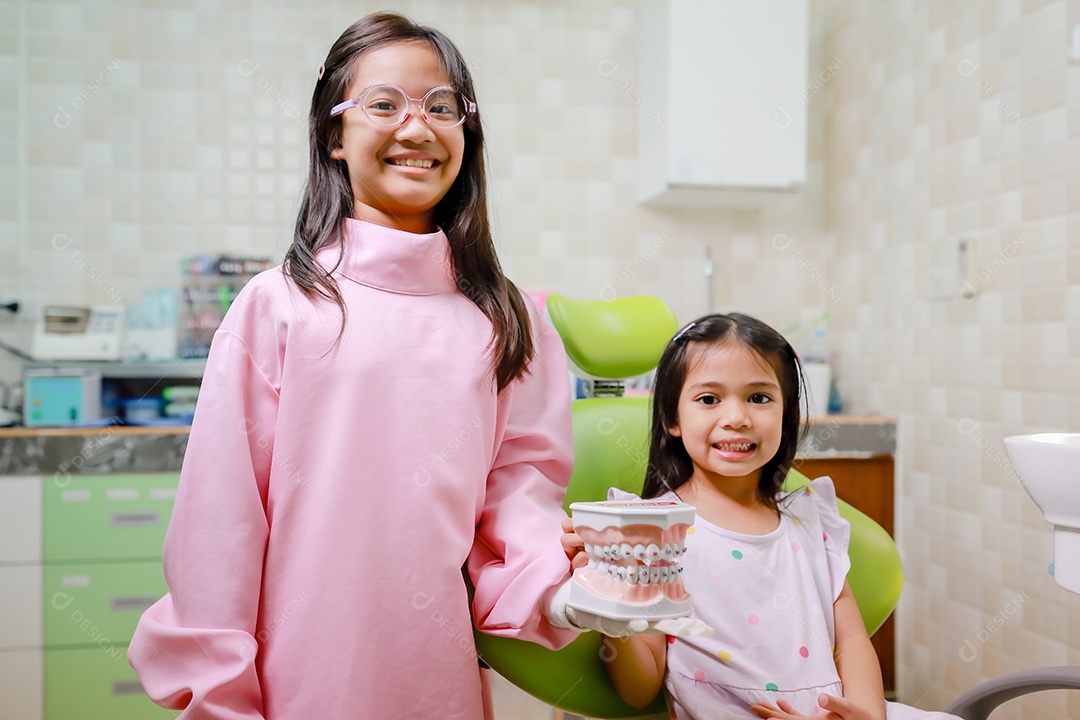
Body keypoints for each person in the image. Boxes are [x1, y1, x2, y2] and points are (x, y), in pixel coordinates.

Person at [128, 12, 581, 719]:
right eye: (383, 104)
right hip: (296, 682)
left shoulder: (507, 321)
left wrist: (566, 592)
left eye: (442, 106)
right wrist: (219, 698)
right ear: (334, 136)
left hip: (437, 679)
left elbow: (519, 499)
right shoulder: (279, 307)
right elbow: (219, 531)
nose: (417, 127)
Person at [583, 313, 961, 719]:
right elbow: (640, 691)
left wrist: (866, 711)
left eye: (759, 398)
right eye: (709, 399)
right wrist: (613, 599)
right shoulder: (653, 533)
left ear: (786, 413)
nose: (737, 418)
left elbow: (851, 637)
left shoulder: (809, 518)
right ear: (673, 418)